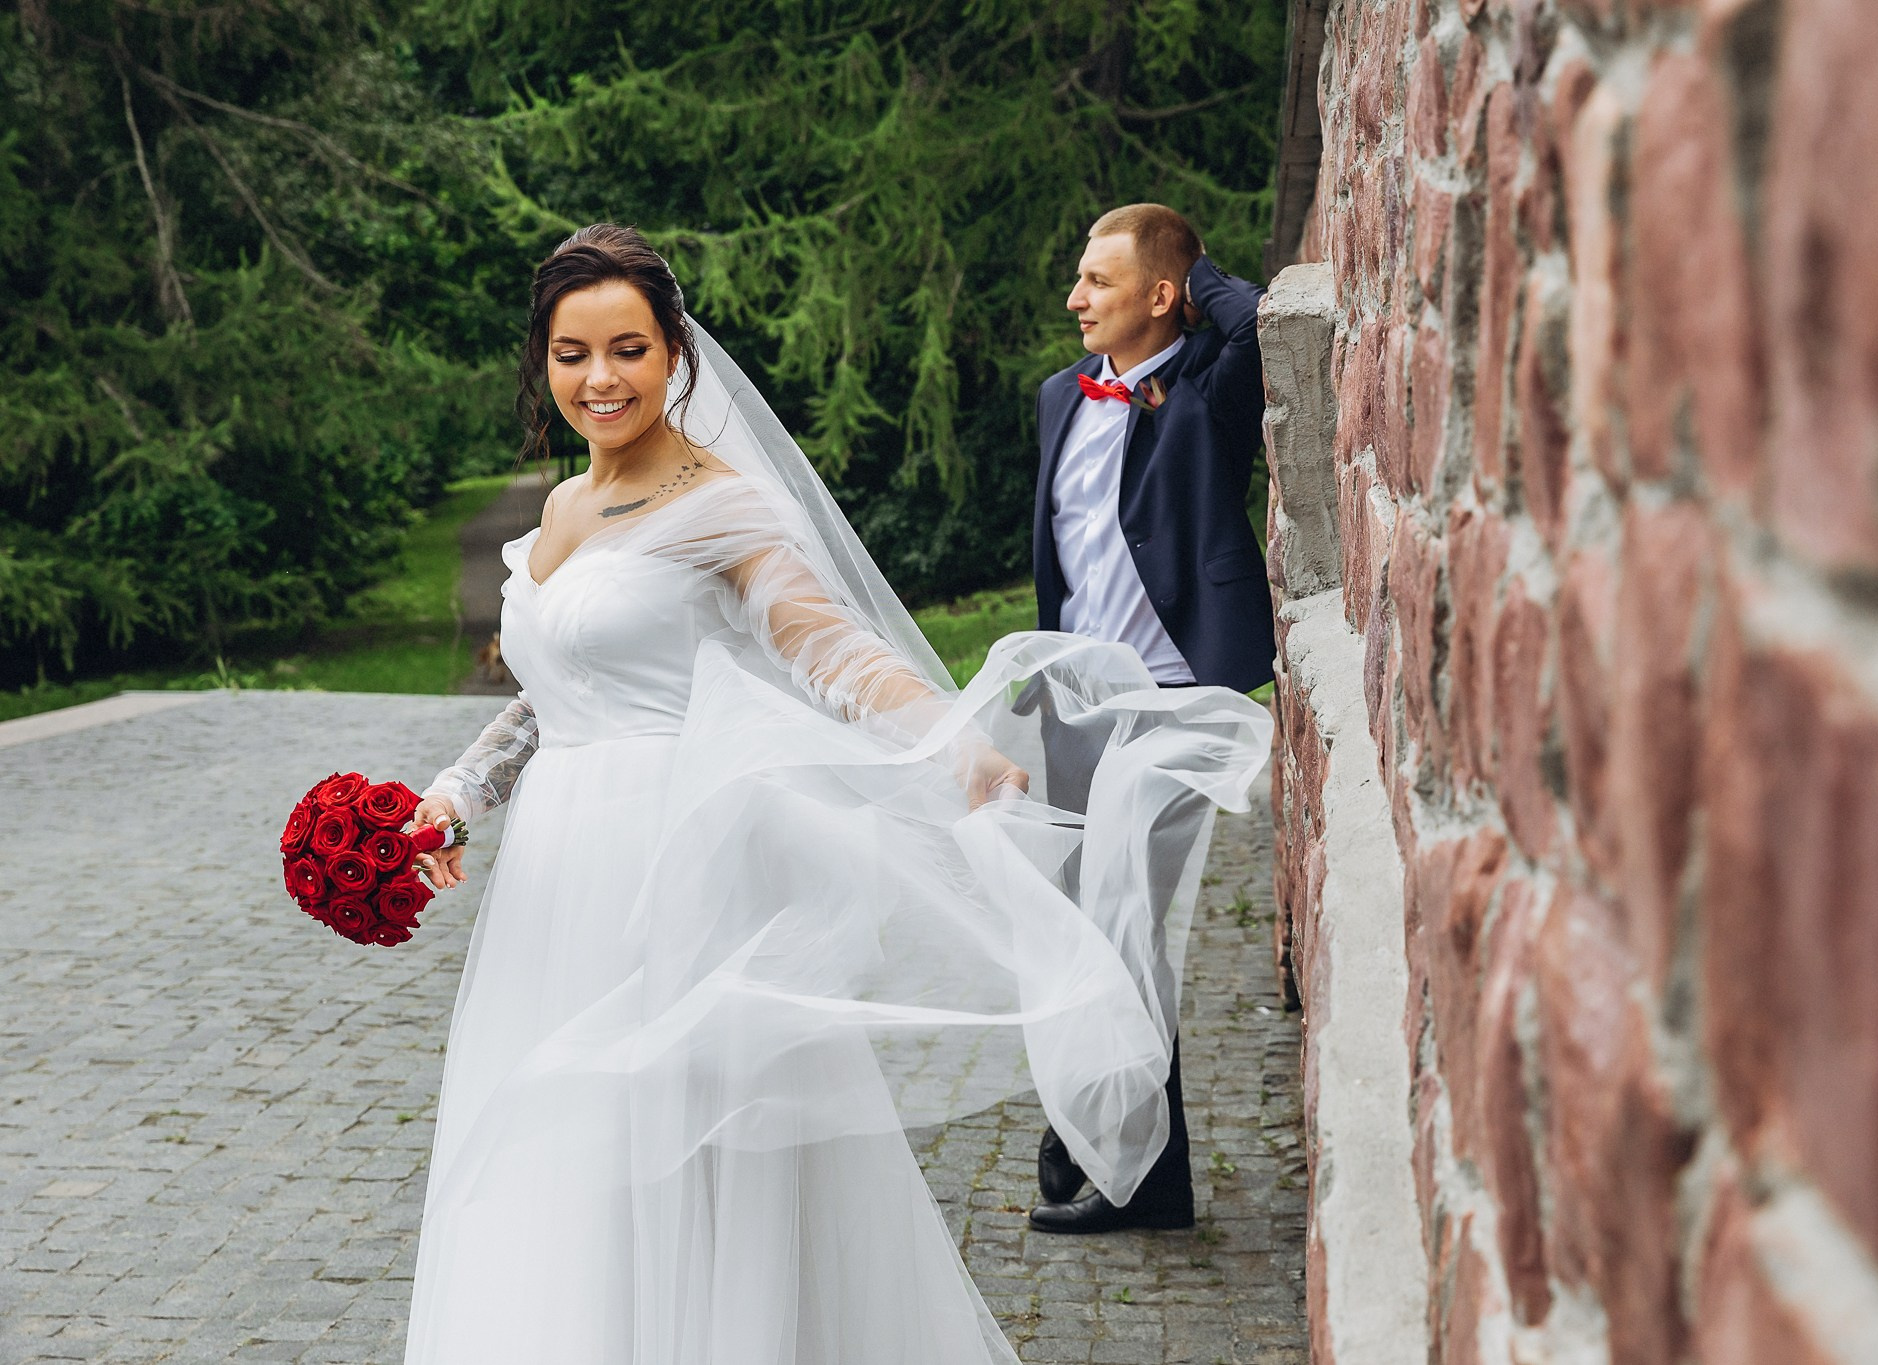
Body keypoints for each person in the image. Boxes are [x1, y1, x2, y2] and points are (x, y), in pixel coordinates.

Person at [397, 224, 1270, 1365]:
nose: (599, 380)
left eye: (626, 349)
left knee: (689, 1151)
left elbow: (829, 652)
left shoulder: (722, 506)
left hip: (680, 865)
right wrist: (455, 796)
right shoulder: (560, 515)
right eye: (572, 354)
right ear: (542, 362)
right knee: (567, 1159)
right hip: (557, 884)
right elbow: (557, 692)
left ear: (674, 356)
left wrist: (952, 744)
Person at [1025, 204, 1274, 1236]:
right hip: (1078, 708)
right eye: (1079, 279)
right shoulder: (1056, 398)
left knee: (1129, 920)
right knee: (1091, 926)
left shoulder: (1209, 384)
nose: (1076, 298)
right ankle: (1108, 1135)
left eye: (1098, 281)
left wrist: (1196, 273)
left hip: (1178, 702)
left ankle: (1128, 1159)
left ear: (1159, 297)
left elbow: (1260, 322)